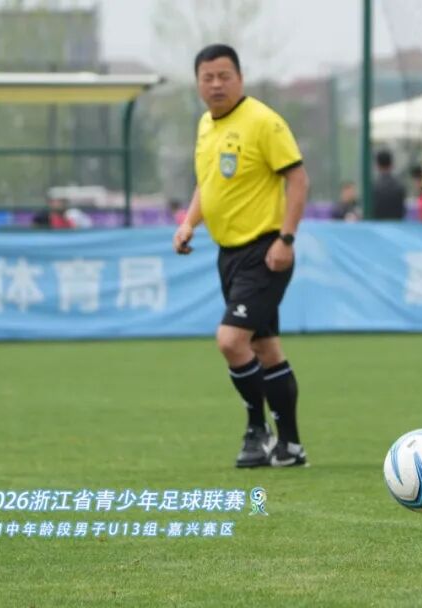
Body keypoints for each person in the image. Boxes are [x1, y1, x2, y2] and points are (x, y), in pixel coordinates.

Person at [173, 44, 310, 469]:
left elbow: (298, 180)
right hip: (228, 255)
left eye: (224, 76)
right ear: (198, 83)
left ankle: (257, 430)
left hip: (264, 251)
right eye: (208, 77)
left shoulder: (263, 122)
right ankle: (290, 448)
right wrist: (189, 222)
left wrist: (286, 239)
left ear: (240, 78)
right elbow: (208, 183)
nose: (216, 84)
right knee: (266, 349)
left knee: (231, 341)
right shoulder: (205, 125)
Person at [371, 149, 407, 220]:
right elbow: (402, 210)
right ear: (391, 165)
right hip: (396, 224)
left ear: (377, 165)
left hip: (377, 224)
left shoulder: (373, 187)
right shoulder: (399, 186)